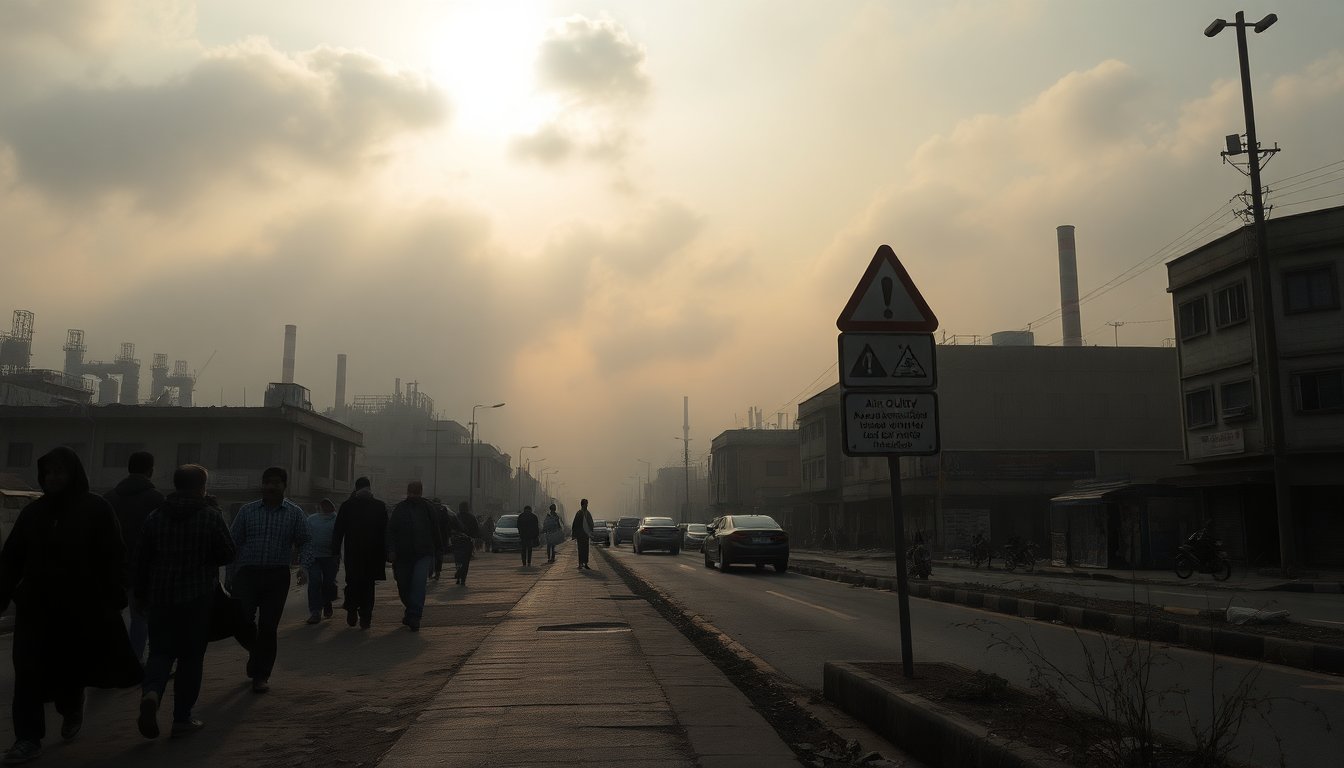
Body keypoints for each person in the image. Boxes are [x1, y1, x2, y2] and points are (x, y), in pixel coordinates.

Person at [0, 447, 143, 764]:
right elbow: (11, 559)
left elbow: (115, 556)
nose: (53, 478)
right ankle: (27, 738)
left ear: (73, 474)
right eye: (49, 472)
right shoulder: (33, 514)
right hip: (36, 609)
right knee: (27, 672)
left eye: (60, 472)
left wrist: (115, 594)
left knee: (69, 670)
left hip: (80, 609)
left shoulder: (96, 509)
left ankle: (72, 705)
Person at [134, 464, 236, 740]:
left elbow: (142, 561)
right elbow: (228, 554)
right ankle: (181, 718)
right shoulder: (210, 517)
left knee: (160, 652)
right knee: (191, 657)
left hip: (161, 597)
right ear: (201, 487)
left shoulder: (155, 517)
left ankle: (152, 692)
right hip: (197, 598)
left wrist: (141, 596)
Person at [227, 466, 312, 694]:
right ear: (262, 485)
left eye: (276, 483)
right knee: (240, 620)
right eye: (267, 482)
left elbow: (305, 541)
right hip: (247, 574)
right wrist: (229, 575)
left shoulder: (294, 513)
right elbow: (233, 543)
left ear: (284, 486)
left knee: (268, 626)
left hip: (277, 576)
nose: (270, 487)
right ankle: (257, 653)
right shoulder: (247, 511)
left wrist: (304, 566)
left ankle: (261, 674)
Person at [104, 450, 165, 665]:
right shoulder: (157, 499)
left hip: (112, 568)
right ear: (150, 470)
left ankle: (109, 660)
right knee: (140, 618)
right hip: (144, 569)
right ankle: (133, 661)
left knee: (111, 616)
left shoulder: (109, 498)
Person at [386, 481, 443, 631]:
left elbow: (435, 531)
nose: (414, 495)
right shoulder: (400, 509)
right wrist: (391, 550)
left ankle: (415, 616)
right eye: (412, 492)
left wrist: (438, 552)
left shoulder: (428, 508)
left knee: (418, 585)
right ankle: (411, 610)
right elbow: (391, 531)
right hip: (403, 556)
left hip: (423, 554)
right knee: (403, 585)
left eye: (416, 492)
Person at [331, 477, 387, 629]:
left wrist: (335, 552)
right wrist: (387, 553)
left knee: (353, 582)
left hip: (353, 553)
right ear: (370, 487)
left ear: (355, 489)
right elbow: (385, 532)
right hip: (373, 554)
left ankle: (351, 609)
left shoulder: (347, 506)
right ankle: (365, 616)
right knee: (368, 585)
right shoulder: (379, 506)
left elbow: (338, 531)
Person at [304, 499, 339, 624]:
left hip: (330, 557)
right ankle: (315, 611)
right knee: (314, 582)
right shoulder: (312, 519)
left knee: (328, 583)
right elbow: (305, 535)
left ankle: (327, 602)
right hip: (314, 556)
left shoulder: (337, 520)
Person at [452, 502, 479, 585]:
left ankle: (459, 571)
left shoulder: (456, 517)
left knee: (458, 559)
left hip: (457, 541)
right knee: (466, 561)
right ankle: (463, 578)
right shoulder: (472, 517)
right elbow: (476, 530)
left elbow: (451, 528)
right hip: (468, 541)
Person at [570, 499, 594, 570]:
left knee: (586, 549)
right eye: (586, 504)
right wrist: (574, 534)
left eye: (587, 504)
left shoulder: (588, 513)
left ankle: (585, 563)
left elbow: (591, 523)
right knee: (580, 549)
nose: (587, 505)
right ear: (582, 505)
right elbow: (575, 524)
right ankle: (580, 564)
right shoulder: (579, 513)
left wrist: (591, 530)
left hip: (586, 535)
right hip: (580, 535)